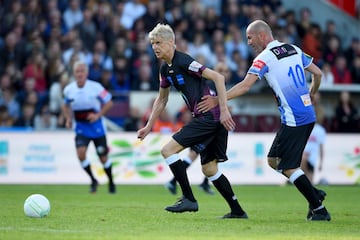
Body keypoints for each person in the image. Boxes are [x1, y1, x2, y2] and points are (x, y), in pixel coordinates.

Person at [198, 20, 330, 221]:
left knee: (288, 166)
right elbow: (318, 73)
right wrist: (312, 92)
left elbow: (244, 86)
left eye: (250, 37)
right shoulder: (293, 49)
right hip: (305, 115)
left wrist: (218, 99)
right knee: (273, 160)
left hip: (295, 118)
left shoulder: (265, 58)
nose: (248, 42)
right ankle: (313, 193)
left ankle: (319, 209)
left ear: (261, 35)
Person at [137, 23, 247, 219]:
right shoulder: (165, 69)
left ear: (171, 42)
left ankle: (189, 198)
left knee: (167, 150)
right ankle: (237, 211)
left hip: (209, 118)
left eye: (158, 42)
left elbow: (218, 77)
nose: (155, 47)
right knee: (210, 169)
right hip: (211, 120)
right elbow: (162, 99)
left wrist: (223, 110)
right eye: (152, 43)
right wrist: (148, 125)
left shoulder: (184, 61)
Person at [62, 60, 115, 194]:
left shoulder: (95, 87)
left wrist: (98, 115)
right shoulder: (69, 89)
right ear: (74, 73)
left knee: (103, 157)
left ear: (86, 73)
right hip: (81, 127)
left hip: (97, 127)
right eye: (77, 72)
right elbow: (65, 104)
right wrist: (68, 118)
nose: (79, 74)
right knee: (81, 154)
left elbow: (109, 102)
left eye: (82, 71)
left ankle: (111, 182)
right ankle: (93, 180)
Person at [301, 93, 326, 183]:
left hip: (312, 156)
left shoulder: (320, 130)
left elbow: (321, 147)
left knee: (310, 180)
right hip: (303, 155)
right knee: (304, 172)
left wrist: (321, 162)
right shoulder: (304, 127)